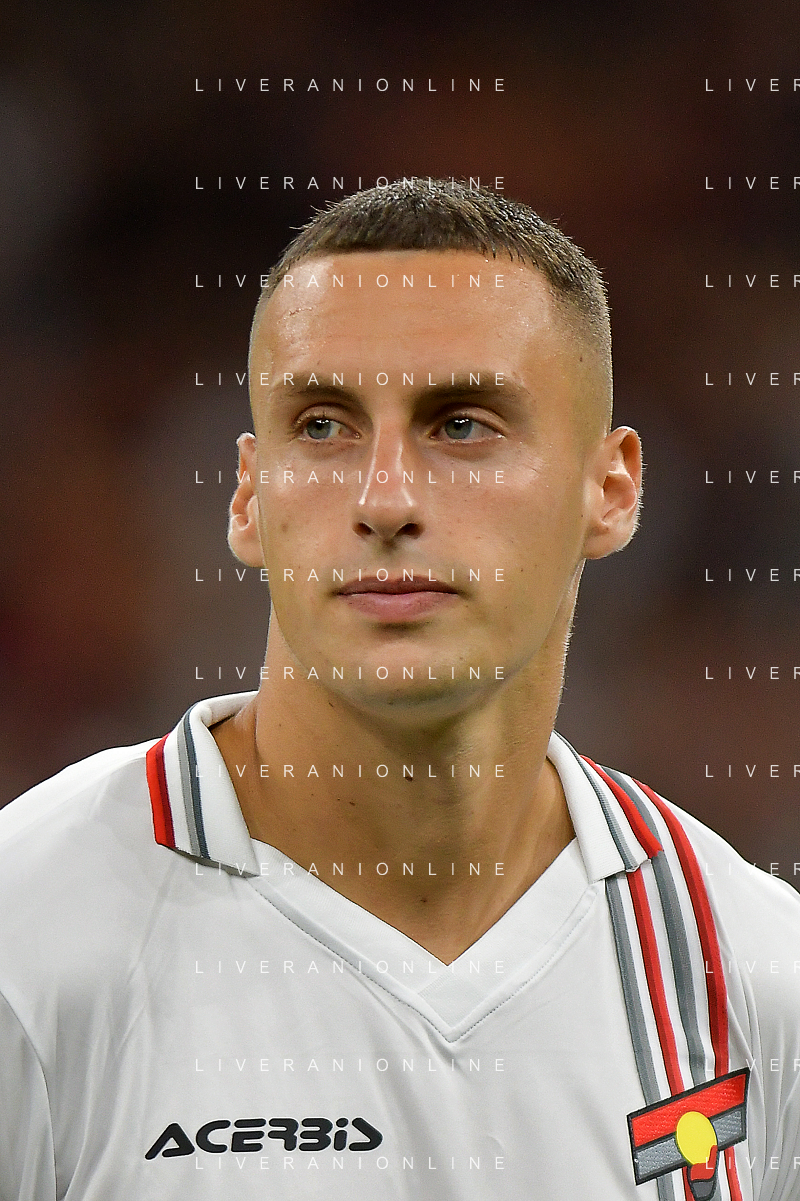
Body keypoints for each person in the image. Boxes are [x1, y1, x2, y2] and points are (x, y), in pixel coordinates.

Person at [0, 179, 797, 1201]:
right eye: (322, 425)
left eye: (460, 424)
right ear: (248, 494)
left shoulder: (751, 973)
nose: (384, 498)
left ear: (610, 488)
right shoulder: (30, 939)